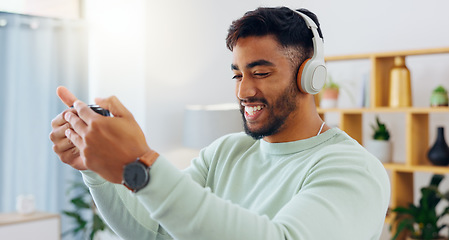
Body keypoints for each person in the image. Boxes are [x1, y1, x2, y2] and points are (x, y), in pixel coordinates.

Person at [50, 7, 390, 240]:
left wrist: (142, 163)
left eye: (260, 73)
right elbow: (156, 233)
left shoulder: (353, 170)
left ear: (309, 76)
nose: (243, 90)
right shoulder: (225, 152)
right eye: (237, 74)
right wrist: (93, 168)